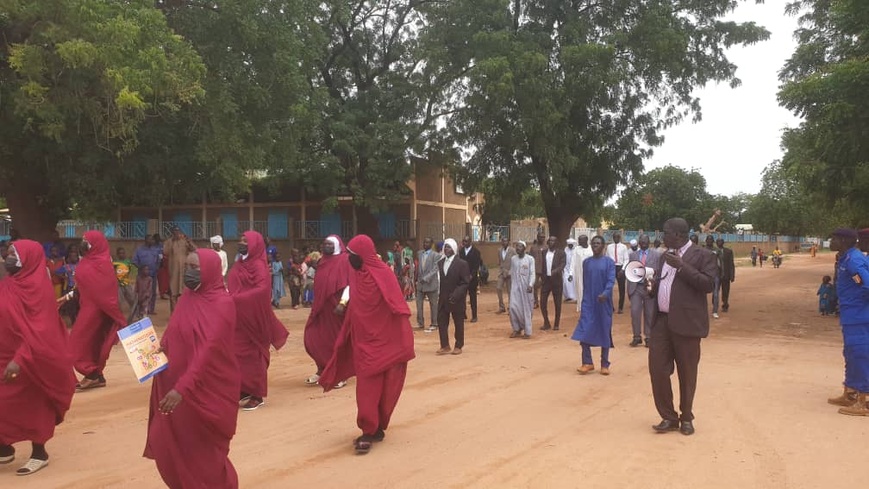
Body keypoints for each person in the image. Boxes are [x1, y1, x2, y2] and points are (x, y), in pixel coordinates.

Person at [144, 249, 241, 488]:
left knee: (202, 453)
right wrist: (160, 348)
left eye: (195, 268)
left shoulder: (223, 304)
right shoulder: (188, 296)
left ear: (209, 270)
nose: (189, 272)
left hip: (204, 391)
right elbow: (175, 329)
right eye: (187, 266)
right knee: (164, 441)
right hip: (174, 386)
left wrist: (182, 389)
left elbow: (208, 352)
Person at [319, 234, 415, 455]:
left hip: (384, 342)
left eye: (352, 255)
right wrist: (344, 308)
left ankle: (377, 426)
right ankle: (368, 429)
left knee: (387, 389)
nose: (349, 258)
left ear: (362, 255)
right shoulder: (355, 274)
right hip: (363, 344)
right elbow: (351, 298)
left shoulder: (384, 275)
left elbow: (397, 306)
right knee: (366, 388)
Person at [0, 240, 77, 476]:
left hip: (31, 360)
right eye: (8, 253)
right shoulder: (9, 284)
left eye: (14, 253)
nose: (8, 257)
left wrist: (20, 360)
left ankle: (39, 452)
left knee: (36, 405)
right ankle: (4, 446)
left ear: (29, 258)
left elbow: (39, 329)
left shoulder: (38, 289)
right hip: (4, 354)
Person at [648, 218, 717, 436]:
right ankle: (668, 416)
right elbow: (663, 283)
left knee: (687, 373)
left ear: (678, 234)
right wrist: (652, 288)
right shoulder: (663, 257)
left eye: (666, 233)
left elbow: (708, 284)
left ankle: (686, 416)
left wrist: (682, 266)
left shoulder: (703, 255)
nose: (662, 237)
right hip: (662, 323)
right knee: (657, 370)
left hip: (687, 324)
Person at [227, 231, 289, 411]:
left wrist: (237, 298)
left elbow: (262, 290)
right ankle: (244, 388)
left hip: (255, 318)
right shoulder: (239, 264)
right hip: (238, 318)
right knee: (236, 353)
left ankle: (257, 394)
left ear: (254, 244)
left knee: (254, 357)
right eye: (240, 240)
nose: (241, 243)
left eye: (245, 241)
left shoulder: (259, 266)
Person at [62, 231, 127, 391]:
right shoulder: (89, 260)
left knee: (76, 343)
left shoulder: (102, 264)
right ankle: (96, 375)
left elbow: (104, 292)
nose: (83, 243)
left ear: (96, 243)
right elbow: (84, 286)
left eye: (87, 240)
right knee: (91, 344)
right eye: (83, 239)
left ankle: (91, 374)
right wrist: (68, 296)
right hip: (87, 307)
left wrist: (115, 315)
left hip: (96, 311)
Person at [827, 228, 869, 415]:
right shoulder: (845, 258)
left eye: (834, 238)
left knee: (860, 355)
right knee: (851, 354)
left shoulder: (854, 260)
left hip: (859, 316)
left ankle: (865, 400)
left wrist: (860, 306)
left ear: (844, 240)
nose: (831, 241)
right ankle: (850, 392)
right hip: (850, 315)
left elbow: (867, 284)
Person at [303, 236, 350, 388]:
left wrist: (343, 303)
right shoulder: (322, 261)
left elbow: (350, 284)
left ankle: (340, 374)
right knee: (313, 337)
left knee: (335, 341)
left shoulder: (344, 261)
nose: (326, 246)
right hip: (320, 307)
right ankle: (321, 369)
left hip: (336, 308)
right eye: (325, 244)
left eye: (330, 244)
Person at [572, 236, 616, 375]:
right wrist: (583, 301)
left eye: (598, 243)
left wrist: (605, 293)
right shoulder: (587, 262)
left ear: (603, 246)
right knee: (584, 330)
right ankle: (587, 362)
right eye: (593, 244)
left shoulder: (609, 263)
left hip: (603, 303)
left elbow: (610, 281)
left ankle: (605, 364)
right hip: (589, 302)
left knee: (604, 331)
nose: (595, 246)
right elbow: (585, 283)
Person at [436, 239, 470, 355]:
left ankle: (458, 345)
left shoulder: (462, 264)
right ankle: (445, 345)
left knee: (458, 323)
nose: (446, 250)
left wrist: (456, 294)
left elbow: (465, 282)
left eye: (449, 247)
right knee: (441, 321)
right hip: (443, 298)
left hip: (457, 299)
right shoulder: (440, 263)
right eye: (445, 247)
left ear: (454, 249)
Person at [628, 235, 661, 347]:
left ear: (649, 242)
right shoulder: (633, 255)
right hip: (636, 287)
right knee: (635, 311)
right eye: (641, 242)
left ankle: (649, 337)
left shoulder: (656, 255)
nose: (643, 243)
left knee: (650, 313)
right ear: (639, 243)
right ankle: (636, 337)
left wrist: (654, 283)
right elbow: (630, 271)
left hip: (649, 288)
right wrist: (629, 289)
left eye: (645, 241)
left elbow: (658, 271)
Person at [163, 227, 196, 312]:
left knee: (184, 293)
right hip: (174, 272)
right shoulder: (168, 242)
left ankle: (183, 313)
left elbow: (194, 249)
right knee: (173, 294)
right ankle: (174, 314)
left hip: (184, 271)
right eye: (175, 231)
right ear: (172, 233)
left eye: (178, 231)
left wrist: (189, 241)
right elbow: (165, 252)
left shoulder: (185, 241)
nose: (176, 233)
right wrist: (173, 242)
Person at [509, 241, 535, 339]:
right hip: (515, 287)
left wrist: (530, 284)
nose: (518, 249)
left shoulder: (530, 259)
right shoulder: (513, 259)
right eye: (516, 247)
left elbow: (532, 273)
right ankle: (516, 328)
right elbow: (512, 272)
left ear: (524, 248)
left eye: (520, 247)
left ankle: (527, 331)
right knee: (513, 307)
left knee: (526, 309)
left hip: (526, 288)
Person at [540, 236, 567, 330]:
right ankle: (546, 322)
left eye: (553, 241)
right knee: (542, 302)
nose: (551, 242)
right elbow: (542, 265)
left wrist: (555, 271)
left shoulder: (561, 253)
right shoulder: (543, 252)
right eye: (550, 240)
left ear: (556, 243)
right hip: (546, 280)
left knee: (557, 303)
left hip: (557, 280)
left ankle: (556, 324)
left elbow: (563, 265)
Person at [133, 235, 162, 315]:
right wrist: (141, 269)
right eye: (149, 239)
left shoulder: (156, 250)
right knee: (141, 292)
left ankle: (151, 310)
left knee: (152, 292)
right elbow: (134, 261)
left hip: (153, 274)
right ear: (145, 240)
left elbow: (159, 260)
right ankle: (140, 310)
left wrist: (157, 267)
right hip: (142, 276)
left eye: (152, 239)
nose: (151, 241)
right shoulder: (139, 250)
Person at [416, 237, 440, 331]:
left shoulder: (436, 255)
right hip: (420, 285)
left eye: (427, 242)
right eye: (424, 242)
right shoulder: (419, 253)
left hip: (431, 284)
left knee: (433, 304)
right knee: (419, 304)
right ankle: (420, 323)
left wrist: (425, 278)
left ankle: (434, 323)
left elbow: (435, 269)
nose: (425, 244)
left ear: (431, 244)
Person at [458, 235, 481, 323]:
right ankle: (463, 313)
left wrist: (472, 275)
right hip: (462, 278)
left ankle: (474, 316)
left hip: (472, 278)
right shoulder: (461, 251)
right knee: (461, 297)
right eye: (463, 241)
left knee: (473, 298)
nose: (464, 243)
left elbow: (476, 265)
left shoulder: (476, 252)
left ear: (470, 242)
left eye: (466, 241)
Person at [606, 232, 630, 314]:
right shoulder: (609, 247)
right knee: (609, 288)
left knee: (621, 288)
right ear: (613, 238)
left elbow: (626, 259)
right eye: (614, 237)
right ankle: (610, 307)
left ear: (619, 238)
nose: (615, 238)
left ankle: (620, 307)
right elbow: (607, 258)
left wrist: (623, 270)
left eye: (617, 237)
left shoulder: (624, 247)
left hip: (620, 268)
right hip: (611, 268)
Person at [55, 248, 80, 325]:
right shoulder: (67, 266)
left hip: (80, 289)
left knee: (79, 306)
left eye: (75, 256)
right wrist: (64, 277)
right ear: (69, 258)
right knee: (71, 306)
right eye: (72, 257)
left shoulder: (81, 265)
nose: (74, 258)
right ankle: (73, 322)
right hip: (70, 288)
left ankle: (79, 322)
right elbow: (56, 272)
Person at [114, 247, 137, 317]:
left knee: (132, 299)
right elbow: (113, 272)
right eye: (120, 253)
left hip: (127, 284)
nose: (122, 255)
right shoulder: (115, 263)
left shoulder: (128, 262)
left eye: (123, 253)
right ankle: (120, 316)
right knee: (119, 301)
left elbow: (131, 271)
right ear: (117, 255)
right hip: (118, 285)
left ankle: (134, 314)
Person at [573, 235, 593, 313]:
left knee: (590, 289)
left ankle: (590, 306)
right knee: (580, 289)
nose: (579, 241)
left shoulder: (591, 248)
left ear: (586, 240)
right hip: (580, 272)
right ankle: (581, 306)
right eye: (579, 239)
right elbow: (573, 261)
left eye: (581, 240)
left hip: (590, 273)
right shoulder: (576, 249)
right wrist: (571, 273)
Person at [495, 237, 516, 314]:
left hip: (510, 273)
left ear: (509, 242)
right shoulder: (499, 250)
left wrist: (511, 271)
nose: (504, 242)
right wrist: (501, 270)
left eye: (506, 241)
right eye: (503, 241)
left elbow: (515, 261)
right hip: (502, 272)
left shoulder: (513, 250)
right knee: (498, 288)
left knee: (510, 291)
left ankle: (511, 308)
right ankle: (501, 307)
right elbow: (500, 261)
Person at [705, 235, 723, 319]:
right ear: (705, 241)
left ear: (713, 241)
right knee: (702, 293)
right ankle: (702, 310)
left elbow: (721, 262)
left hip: (715, 274)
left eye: (711, 240)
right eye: (708, 240)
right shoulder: (702, 250)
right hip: (705, 274)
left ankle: (715, 311)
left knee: (715, 293)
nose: (709, 241)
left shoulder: (717, 250)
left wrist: (722, 272)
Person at [716, 238, 736, 313]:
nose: (719, 243)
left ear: (723, 243)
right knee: (715, 292)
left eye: (721, 241)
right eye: (718, 242)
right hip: (717, 275)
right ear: (716, 243)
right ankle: (715, 305)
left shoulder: (728, 251)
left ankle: (725, 304)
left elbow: (731, 264)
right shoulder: (714, 252)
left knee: (726, 291)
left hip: (725, 275)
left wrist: (732, 275)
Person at [529, 232, 547, 308]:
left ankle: (543, 302)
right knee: (535, 286)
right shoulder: (533, 247)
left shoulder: (546, 247)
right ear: (537, 237)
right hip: (535, 269)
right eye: (540, 237)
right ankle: (535, 302)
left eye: (543, 237)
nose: (542, 238)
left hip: (544, 270)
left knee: (545, 286)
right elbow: (530, 258)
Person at [563, 239, 578, 303]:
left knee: (573, 282)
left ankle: (575, 297)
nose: (570, 246)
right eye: (569, 245)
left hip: (574, 269)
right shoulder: (565, 249)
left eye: (571, 245)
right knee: (566, 282)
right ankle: (568, 296)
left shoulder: (576, 250)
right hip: (566, 268)